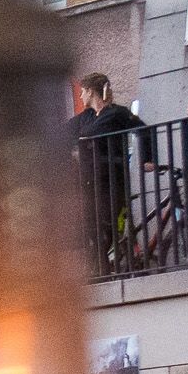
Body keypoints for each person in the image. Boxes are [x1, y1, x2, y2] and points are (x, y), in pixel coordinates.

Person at [66, 72, 153, 268]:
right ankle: (101, 267)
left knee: (105, 225)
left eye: (82, 92)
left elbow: (144, 130)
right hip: (89, 179)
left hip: (112, 179)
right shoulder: (86, 117)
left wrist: (148, 159)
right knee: (89, 225)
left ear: (90, 92)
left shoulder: (117, 113)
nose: (80, 97)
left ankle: (104, 269)